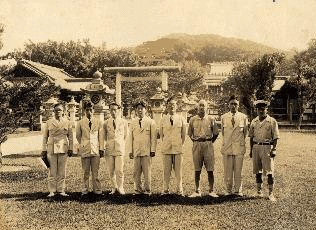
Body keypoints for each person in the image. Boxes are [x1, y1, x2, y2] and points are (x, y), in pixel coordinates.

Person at [249, 100, 280, 202]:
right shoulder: (254, 121)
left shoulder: (272, 121)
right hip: (256, 147)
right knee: (257, 170)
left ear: (267, 110)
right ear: (256, 110)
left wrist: (274, 149)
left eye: (263, 109)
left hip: (267, 147)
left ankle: (271, 193)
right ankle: (259, 191)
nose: (261, 111)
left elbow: (275, 137)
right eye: (259, 109)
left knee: (269, 172)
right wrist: (251, 150)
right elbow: (251, 137)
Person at [188, 99, 219, 197]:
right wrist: (197, 141)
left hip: (208, 144)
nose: (202, 107)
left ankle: (211, 190)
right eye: (200, 105)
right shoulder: (192, 119)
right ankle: (197, 191)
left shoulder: (211, 119)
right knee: (197, 169)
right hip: (197, 145)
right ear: (197, 107)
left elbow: (216, 133)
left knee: (210, 168)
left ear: (207, 108)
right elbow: (190, 134)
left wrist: (209, 141)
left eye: (204, 106)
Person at [42, 103, 73, 197]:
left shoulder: (67, 122)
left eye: (60, 110)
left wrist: (71, 148)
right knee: (52, 170)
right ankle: (52, 190)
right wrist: (44, 149)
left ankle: (61, 190)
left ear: (63, 111)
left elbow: (70, 137)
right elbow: (45, 137)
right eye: (56, 110)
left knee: (62, 170)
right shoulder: (49, 122)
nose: (58, 112)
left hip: (63, 147)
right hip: (51, 148)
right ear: (53, 111)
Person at [127, 101, 157, 195]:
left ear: (146, 109)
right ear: (136, 110)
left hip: (146, 150)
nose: (140, 110)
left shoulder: (150, 122)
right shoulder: (133, 122)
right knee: (136, 172)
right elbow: (130, 138)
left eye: (142, 108)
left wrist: (152, 150)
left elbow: (153, 138)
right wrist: (130, 151)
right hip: (136, 150)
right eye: (138, 108)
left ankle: (147, 190)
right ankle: (138, 189)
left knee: (147, 171)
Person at [221, 95, 248, 196]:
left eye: (235, 104)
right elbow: (223, 133)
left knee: (238, 170)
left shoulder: (243, 117)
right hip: (227, 146)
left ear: (238, 105)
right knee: (227, 170)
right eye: (231, 104)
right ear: (228, 105)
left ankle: (238, 190)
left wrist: (240, 142)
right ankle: (228, 190)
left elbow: (245, 133)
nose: (233, 106)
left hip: (238, 147)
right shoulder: (223, 117)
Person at [76, 101, 104, 196]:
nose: (89, 112)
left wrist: (101, 148)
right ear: (84, 111)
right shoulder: (80, 123)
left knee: (95, 172)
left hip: (95, 149)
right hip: (85, 148)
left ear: (93, 110)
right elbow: (78, 136)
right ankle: (85, 190)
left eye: (91, 110)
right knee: (85, 171)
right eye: (87, 110)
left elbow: (101, 136)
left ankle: (97, 190)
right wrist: (83, 144)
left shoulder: (98, 122)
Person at [160, 96, 186, 196]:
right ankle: (165, 189)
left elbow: (183, 135)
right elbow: (162, 135)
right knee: (166, 170)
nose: (172, 106)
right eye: (170, 105)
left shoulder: (181, 119)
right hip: (166, 148)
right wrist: (166, 143)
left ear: (176, 106)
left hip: (178, 148)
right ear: (167, 106)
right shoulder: (163, 119)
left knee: (178, 171)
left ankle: (179, 190)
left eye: (173, 105)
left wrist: (180, 144)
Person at [104, 102, 128, 195]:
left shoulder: (124, 122)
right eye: (111, 110)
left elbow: (126, 135)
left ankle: (121, 187)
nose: (113, 112)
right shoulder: (106, 123)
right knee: (111, 170)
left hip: (119, 148)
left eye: (115, 110)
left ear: (118, 110)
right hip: (110, 148)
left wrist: (121, 144)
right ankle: (114, 187)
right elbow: (104, 136)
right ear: (109, 111)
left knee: (119, 170)